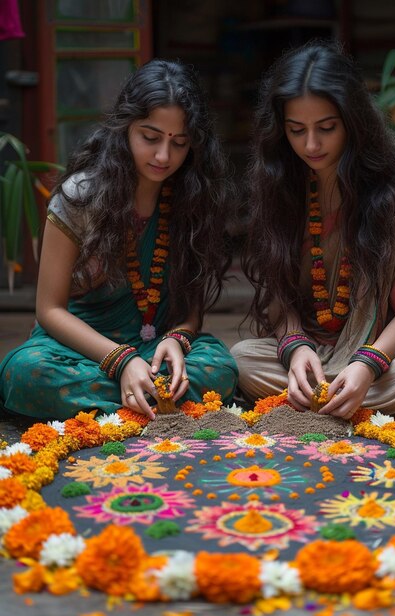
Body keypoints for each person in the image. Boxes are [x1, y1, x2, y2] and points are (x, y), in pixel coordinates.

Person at [231, 40, 395, 429]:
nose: (311, 144)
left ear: (353, 121)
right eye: (296, 130)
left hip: (390, 354)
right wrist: (295, 347)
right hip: (317, 352)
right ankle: (391, 412)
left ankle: (339, 401)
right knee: (241, 359)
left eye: (326, 128)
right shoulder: (281, 188)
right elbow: (280, 297)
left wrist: (366, 365)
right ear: (281, 130)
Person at [0, 59, 238, 421]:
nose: (163, 155)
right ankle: (156, 401)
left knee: (220, 368)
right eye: (150, 137)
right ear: (125, 127)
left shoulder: (195, 197)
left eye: (179, 143)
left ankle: (124, 403)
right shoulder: (80, 196)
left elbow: (190, 308)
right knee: (27, 373)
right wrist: (121, 360)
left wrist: (178, 339)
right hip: (82, 349)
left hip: (156, 346)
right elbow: (49, 310)